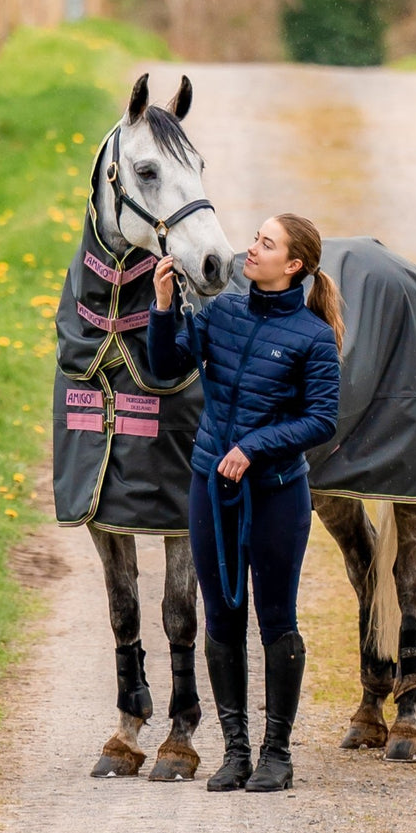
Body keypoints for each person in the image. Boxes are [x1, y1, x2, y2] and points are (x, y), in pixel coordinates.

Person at [147, 213, 343, 793]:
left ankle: (277, 754)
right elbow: (166, 366)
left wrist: (253, 448)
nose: (250, 249)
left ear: (294, 266)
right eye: (255, 238)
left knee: (276, 618)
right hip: (213, 490)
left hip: (278, 496)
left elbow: (321, 419)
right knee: (222, 616)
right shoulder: (223, 312)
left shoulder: (312, 337)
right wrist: (162, 307)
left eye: (266, 243)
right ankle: (235, 752)